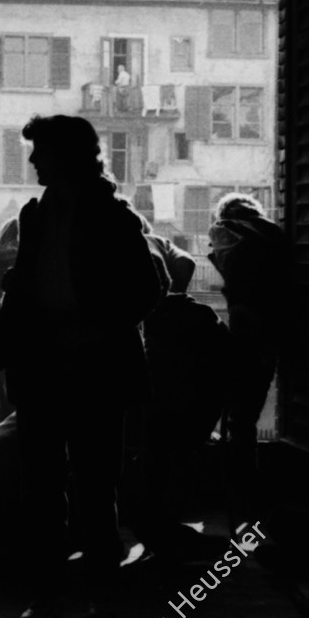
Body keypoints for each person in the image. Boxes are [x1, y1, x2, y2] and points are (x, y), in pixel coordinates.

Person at [0, 114, 167, 618]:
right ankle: (64, 591)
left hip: (91, 364)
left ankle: (90, 589)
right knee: (48, 483)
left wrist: (98, 326)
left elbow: (151, 288)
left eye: (41, 150)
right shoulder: (36, 215)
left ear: (65, 155)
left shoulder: (114, 217)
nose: (34, 159)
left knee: (90, 481)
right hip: (48, 363)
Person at [126, 236, 230, 560]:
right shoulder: (199, 315)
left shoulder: (150, 326)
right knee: (172, 461)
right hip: (197, 411)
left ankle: (159, 531)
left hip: (166, 413)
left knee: (153, 460)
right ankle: (166, 530)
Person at [207, 192, 291, 531]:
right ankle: (248, 495)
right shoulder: (273, 234)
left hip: (243, 332)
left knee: (233, 418)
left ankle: (237, 494)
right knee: (247, 417)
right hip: (272, 334)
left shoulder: (226, 230)